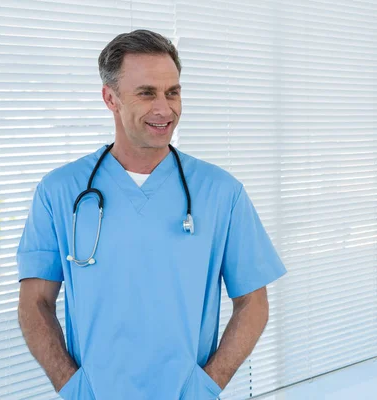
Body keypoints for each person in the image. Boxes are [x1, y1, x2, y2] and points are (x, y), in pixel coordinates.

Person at [16, 29, 286, 400]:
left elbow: (254, 303)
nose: (165, 108)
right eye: (147, 93)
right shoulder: (60, 191)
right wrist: (73, 386)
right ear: (110, 98)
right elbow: (35, 302)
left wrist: (207, 385)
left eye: (172, 92)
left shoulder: (221, 192)